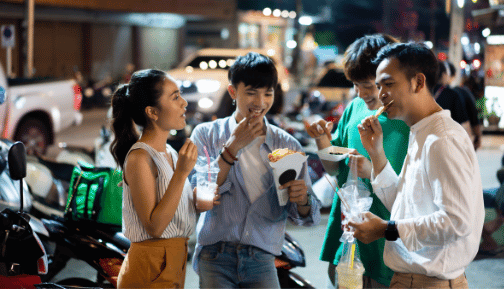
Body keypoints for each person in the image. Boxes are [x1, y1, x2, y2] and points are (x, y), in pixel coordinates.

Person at [350, 43, 484, 288]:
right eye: (379, 86)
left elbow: (456, 222)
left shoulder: (441, 139)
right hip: (412, 280)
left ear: (418, 82)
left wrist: (385, 229)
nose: (381, 94)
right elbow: (407, 206)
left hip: (429, 282)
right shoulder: (421, 132)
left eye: (388, 84)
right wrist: (377, 153)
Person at [190, 52, 321, 288]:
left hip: (262, 258)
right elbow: (199, 196)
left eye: (267, 93)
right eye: (251, 92)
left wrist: (302, 199)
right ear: (233, 92)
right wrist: (231, 149)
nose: (260, 102)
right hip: (215, 255)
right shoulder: (206, 135)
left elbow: (308, 216)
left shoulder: (288, 145)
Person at [306, 34, 410, 288]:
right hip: (347, 229)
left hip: (387, 233)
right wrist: (323, 142)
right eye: (355, 84)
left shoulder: (407, 119)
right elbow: (333, 169)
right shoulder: (354, 108)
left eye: (367, 84)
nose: (360, 92)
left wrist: (373, 169)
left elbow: (415, 190)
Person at [111, 69, 219, 288]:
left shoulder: (168, 151)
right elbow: (155, 227)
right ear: (152, 112)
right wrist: (181, 174)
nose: (184, 103)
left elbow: (168, 205)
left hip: (173, 260)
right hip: (150, 266)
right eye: (175, 97)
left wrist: (194, 201)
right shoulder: (140, 157)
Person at [446, 61, 482, 150]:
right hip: (456, 142)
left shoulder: (430, 93)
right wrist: (477, 137)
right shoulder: (461, 92)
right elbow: (473, 117)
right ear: (454, 75)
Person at [434, 61, 472, 136]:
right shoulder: (452, 94)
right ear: (444, 75)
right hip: (447, 138)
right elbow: (464, 122)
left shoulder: (423, 91)